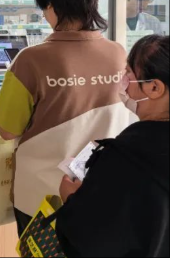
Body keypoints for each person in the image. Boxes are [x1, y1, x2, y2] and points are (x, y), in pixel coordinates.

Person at [0, 0, 131, 237]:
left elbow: (7, 131)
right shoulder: (118, 53)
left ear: (51, 5)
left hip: (42, 198)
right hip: (104, 190)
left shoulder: (30, 60)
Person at [56, 35, 169, 257]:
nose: (123, 82)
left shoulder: (126, 157)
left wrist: (71, 200)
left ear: (155, 88)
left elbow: (93, 240)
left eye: (128, 74)